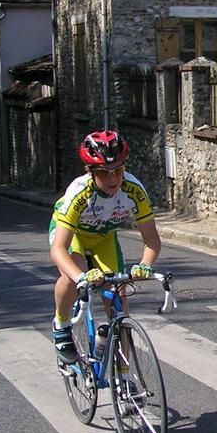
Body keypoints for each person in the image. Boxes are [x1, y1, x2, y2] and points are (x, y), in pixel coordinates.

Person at [49, 129, 161, 364]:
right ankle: (61, 325)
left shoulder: (133, 189)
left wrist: (145, 265)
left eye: (118, 171)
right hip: (73, 236)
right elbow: (58, 249)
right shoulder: (80, 192)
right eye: (103, 173)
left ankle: (124, 378)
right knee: (72, 275)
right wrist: (81, 276)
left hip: (103, 238)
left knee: (119, 303)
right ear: (90, 172)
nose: (113, 179)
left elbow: (151, 239)